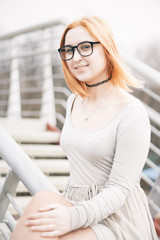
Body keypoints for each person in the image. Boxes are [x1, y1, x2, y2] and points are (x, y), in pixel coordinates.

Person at [10, 16, 158, 240]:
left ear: (106, 49)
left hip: (117, 218)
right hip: (76, 201)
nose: (75, 57)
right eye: (68, 50)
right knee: (40, 203)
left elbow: (119, 189)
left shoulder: (131, 112)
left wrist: (72, 217)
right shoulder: (72, 102)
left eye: (85, 47)